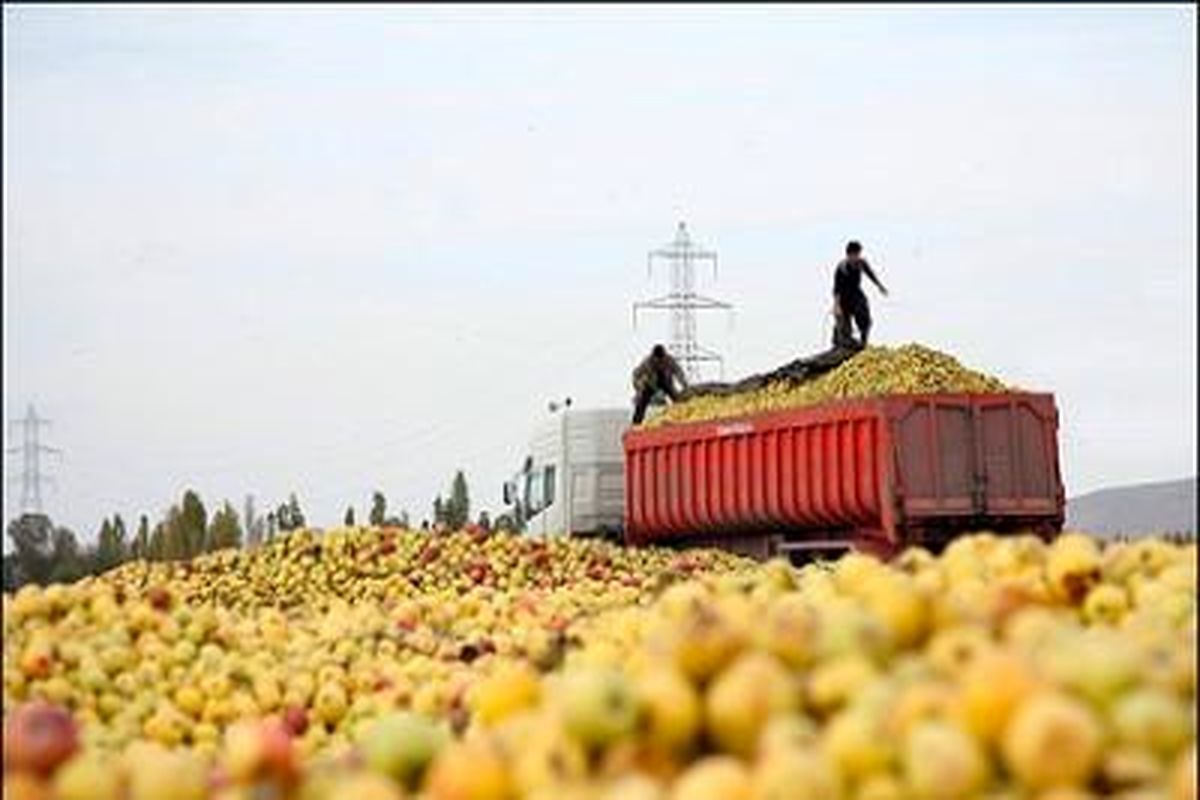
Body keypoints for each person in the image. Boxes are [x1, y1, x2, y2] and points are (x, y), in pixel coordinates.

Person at [832, 240, 888, 347]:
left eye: (858, 254)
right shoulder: (842, 268)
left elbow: (870, 274)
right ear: (848, 255)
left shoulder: (861, 263)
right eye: (854, 255)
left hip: (856, 293)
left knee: (864, 316)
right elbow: (836, 289)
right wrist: (836, 306)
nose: (856, 257)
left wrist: (880, 286)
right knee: (843, 324)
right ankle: (842, 341)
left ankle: (864, 340)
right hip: (844, 297)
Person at [631, 344, 688, 424]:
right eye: (657, 361)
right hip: (651, 384)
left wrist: (684, 385)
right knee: (642, 402)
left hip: (666, 382)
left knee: (677, 397)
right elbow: (636, 375)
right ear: (654, 357)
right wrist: (638, 388)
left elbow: (678, 372)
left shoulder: (669, 360)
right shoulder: (647, 362)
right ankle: (637, 422)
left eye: (661, 361)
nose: (659, 363)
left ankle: (684, 416)